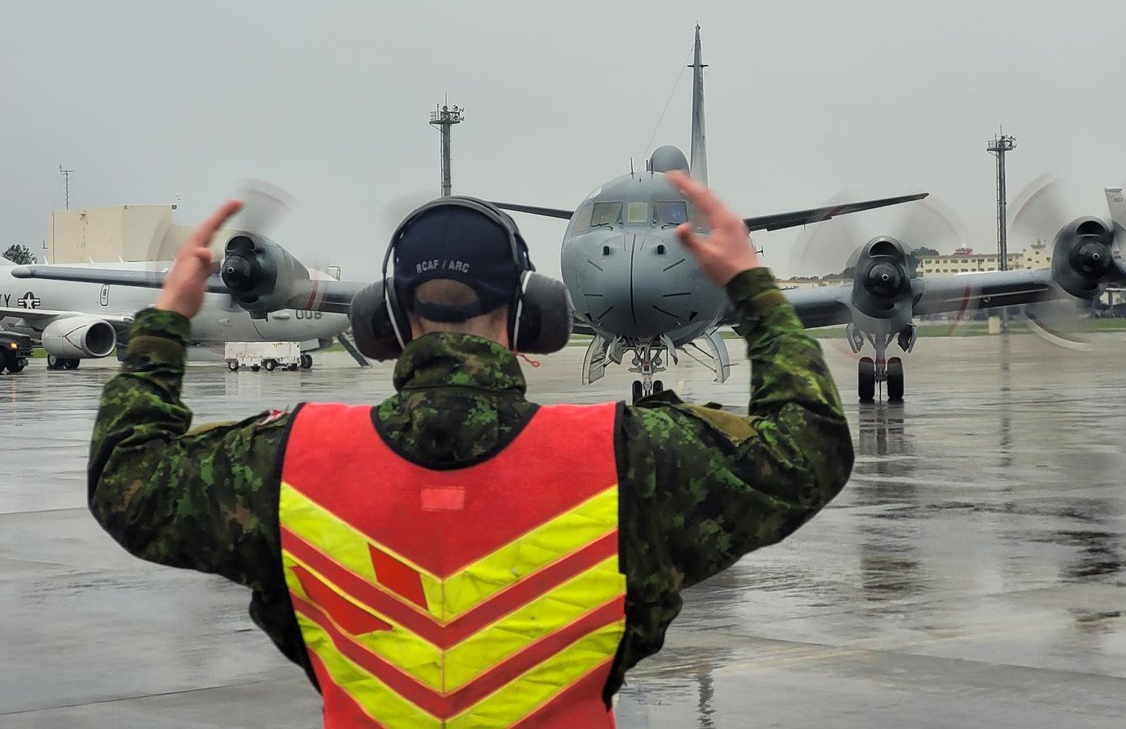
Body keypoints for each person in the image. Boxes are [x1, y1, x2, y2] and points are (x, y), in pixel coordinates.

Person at [89, 171, 854, 727]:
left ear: (385, 314)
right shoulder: (630, 459)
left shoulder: (288, 463)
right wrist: (751, 285)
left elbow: (126, 475)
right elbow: (808, 449)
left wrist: (168, 320)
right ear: (533, 313)